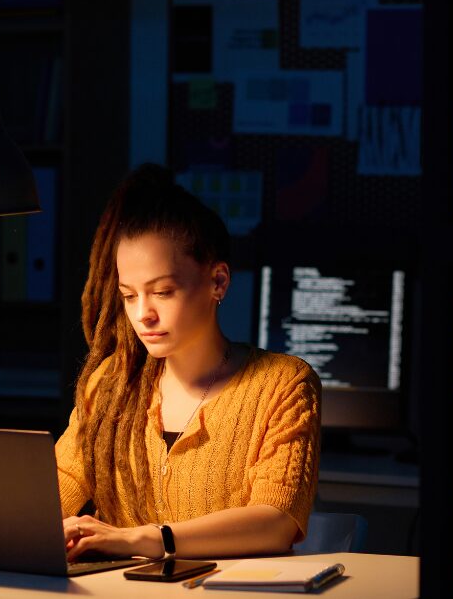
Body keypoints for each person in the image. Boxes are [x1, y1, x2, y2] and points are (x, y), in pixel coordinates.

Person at [55, 164, 321, 562]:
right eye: (129, 296)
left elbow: (276, 521)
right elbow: (61, 485)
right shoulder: (110, 385)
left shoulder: (282, 384)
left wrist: (143, 539)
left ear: (218, 282)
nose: (143, 313)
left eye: (162, 292)